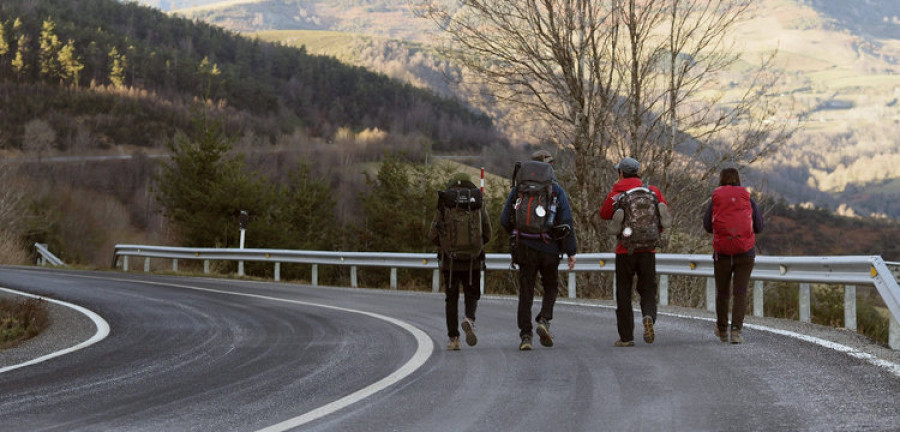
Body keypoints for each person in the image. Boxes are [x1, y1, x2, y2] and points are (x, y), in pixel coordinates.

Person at [501, 161, 577, 351]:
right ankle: (544, 319)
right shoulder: (556, 191)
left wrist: (517, 234)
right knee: (551, 286)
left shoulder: (519, 190)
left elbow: (504, 219)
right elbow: (566, 222)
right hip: (549, 248)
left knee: (526, 292)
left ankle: (526, 336)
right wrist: (571, 251)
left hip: (525, 247)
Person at [600, 157, 668, 347]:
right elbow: (663, 219)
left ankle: (626, 337)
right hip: (648, 249)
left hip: (625, 250)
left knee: (624, 293)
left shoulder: (617, 193)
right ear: (639, 172)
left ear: (621, 173)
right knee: (648, 289)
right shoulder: (652, 192)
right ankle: (648, 316)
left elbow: (604, 213)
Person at [429, 172, 492, 350]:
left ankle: (453, 339)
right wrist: (476, 247)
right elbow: (488, 233)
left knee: (451, 299)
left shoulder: (445, 203)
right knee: (472, 294)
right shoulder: (477, 203)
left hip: (450, 262)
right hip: (473, 260)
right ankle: (469, 319)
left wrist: (445, 247)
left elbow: (432, 234)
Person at [703, 168, 764, 344]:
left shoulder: (716, 199)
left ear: (721, 180)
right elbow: (759, 226)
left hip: (722, 252)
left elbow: (707, 225)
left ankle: (722, 330)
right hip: (745, 252)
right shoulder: (747, 199)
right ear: (738, 180)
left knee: (722, 292)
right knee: (740, 292)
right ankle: (736, 331)